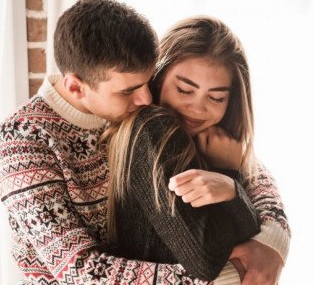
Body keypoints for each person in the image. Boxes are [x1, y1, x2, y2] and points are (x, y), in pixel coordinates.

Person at [0, 0, 289, 284]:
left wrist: (272, 241)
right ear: (77, 87)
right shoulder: (23, 138)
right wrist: (229, 275)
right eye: (130, 90)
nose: (146, 98)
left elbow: (252, 172)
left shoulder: (128, 95)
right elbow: (81, 271)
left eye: (148, 83)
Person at [104, 16, 290, 283]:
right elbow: (206, 261)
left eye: (216, 97)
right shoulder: (152, 128)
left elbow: (247, 240)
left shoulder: (211, 143)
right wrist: (229, 176)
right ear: (158, 78)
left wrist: (230, 183)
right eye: (184, 90)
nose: (197, 108)